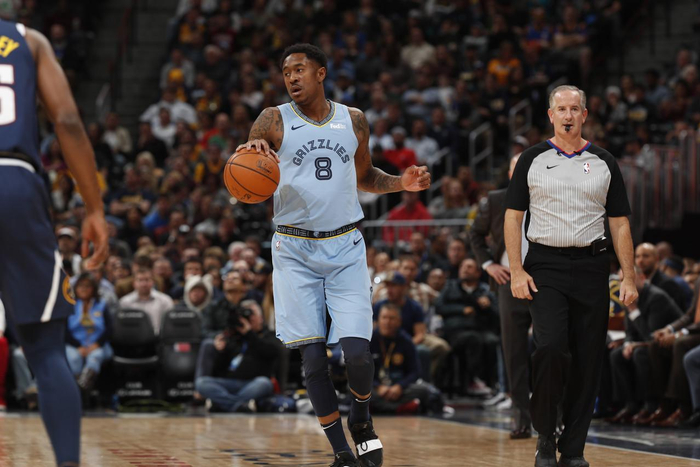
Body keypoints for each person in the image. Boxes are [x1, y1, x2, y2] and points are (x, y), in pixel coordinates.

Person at [236, 43, 430, 467]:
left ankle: (361, 417)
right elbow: (250, 153)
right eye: (286, 71)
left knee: (358, 353)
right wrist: (253, 148)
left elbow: (366, 176)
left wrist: (402, 183)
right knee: (312, 359)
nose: (291, 77)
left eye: (299, 69)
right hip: (294, 248)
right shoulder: (273, 118)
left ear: (321, 73)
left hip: (344, 245)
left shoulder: (353, 119)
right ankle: (342, 452)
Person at [504, 85, 636, 467]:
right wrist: (517, 269)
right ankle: (545, 436)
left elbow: (620, 223)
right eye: (561, 109)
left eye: (574, 109)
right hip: (545, 265)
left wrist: (629, 277)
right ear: (550, 115)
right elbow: (513, 217)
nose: (568, 115)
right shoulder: (532, 159)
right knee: (549, 347)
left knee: (589, 359)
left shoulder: (604, 161)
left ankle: (573, 450)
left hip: (593, 265)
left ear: (584, 115)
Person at [0, 20, 109, 467]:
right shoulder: (29, 40)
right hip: (14, 180)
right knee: (45, 349)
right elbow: (66, 120)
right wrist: (94, 208)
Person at [469, 153, 533, 439]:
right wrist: (488, 265)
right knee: (514, 351)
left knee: (551, 348)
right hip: (509, 280)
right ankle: (520, 416)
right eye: (517, 168)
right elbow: (475, 234)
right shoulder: (495, 200)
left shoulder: (549, 197)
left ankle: (555, 416)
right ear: (509, 173)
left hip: (546, 281)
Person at [606, 268, 682, 425]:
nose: (624, 283)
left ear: (641, 277)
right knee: (616, 354)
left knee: (640, 354)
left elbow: (651, 336)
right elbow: (630, 332)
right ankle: (629, 405)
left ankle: (650, 404)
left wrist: (634, 311)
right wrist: (628, 343)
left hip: (666, 345)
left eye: (629, 278)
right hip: (644, 344)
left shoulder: (656, 297)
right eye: (621, 280)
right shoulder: (629, 297)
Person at [195, 300, 282, 413]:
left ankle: (223, 404)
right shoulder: (234, 337)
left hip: (252, 383)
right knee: (201, 382)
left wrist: (249, 333)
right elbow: (219, 369)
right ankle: (239, 406)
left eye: (251, 314)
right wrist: (221, 351)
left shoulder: (269, 336)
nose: (248, 318)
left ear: (261, 318)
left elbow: (271, 352)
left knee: (265, 383)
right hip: (229, 383)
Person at [65, 272, 114, 391]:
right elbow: (64, 330)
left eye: (87, 286)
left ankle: (84, 384)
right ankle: (74, 387)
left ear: (94, 288)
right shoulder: (69, 305)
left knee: (96, 356)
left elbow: (109, 329)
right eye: (81, 286)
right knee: (73, 358)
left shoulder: (101, 304)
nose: (84, 289)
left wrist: (97, 344)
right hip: (74, 344)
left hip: (97, 344)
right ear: (76, 288)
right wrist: (78, 346)